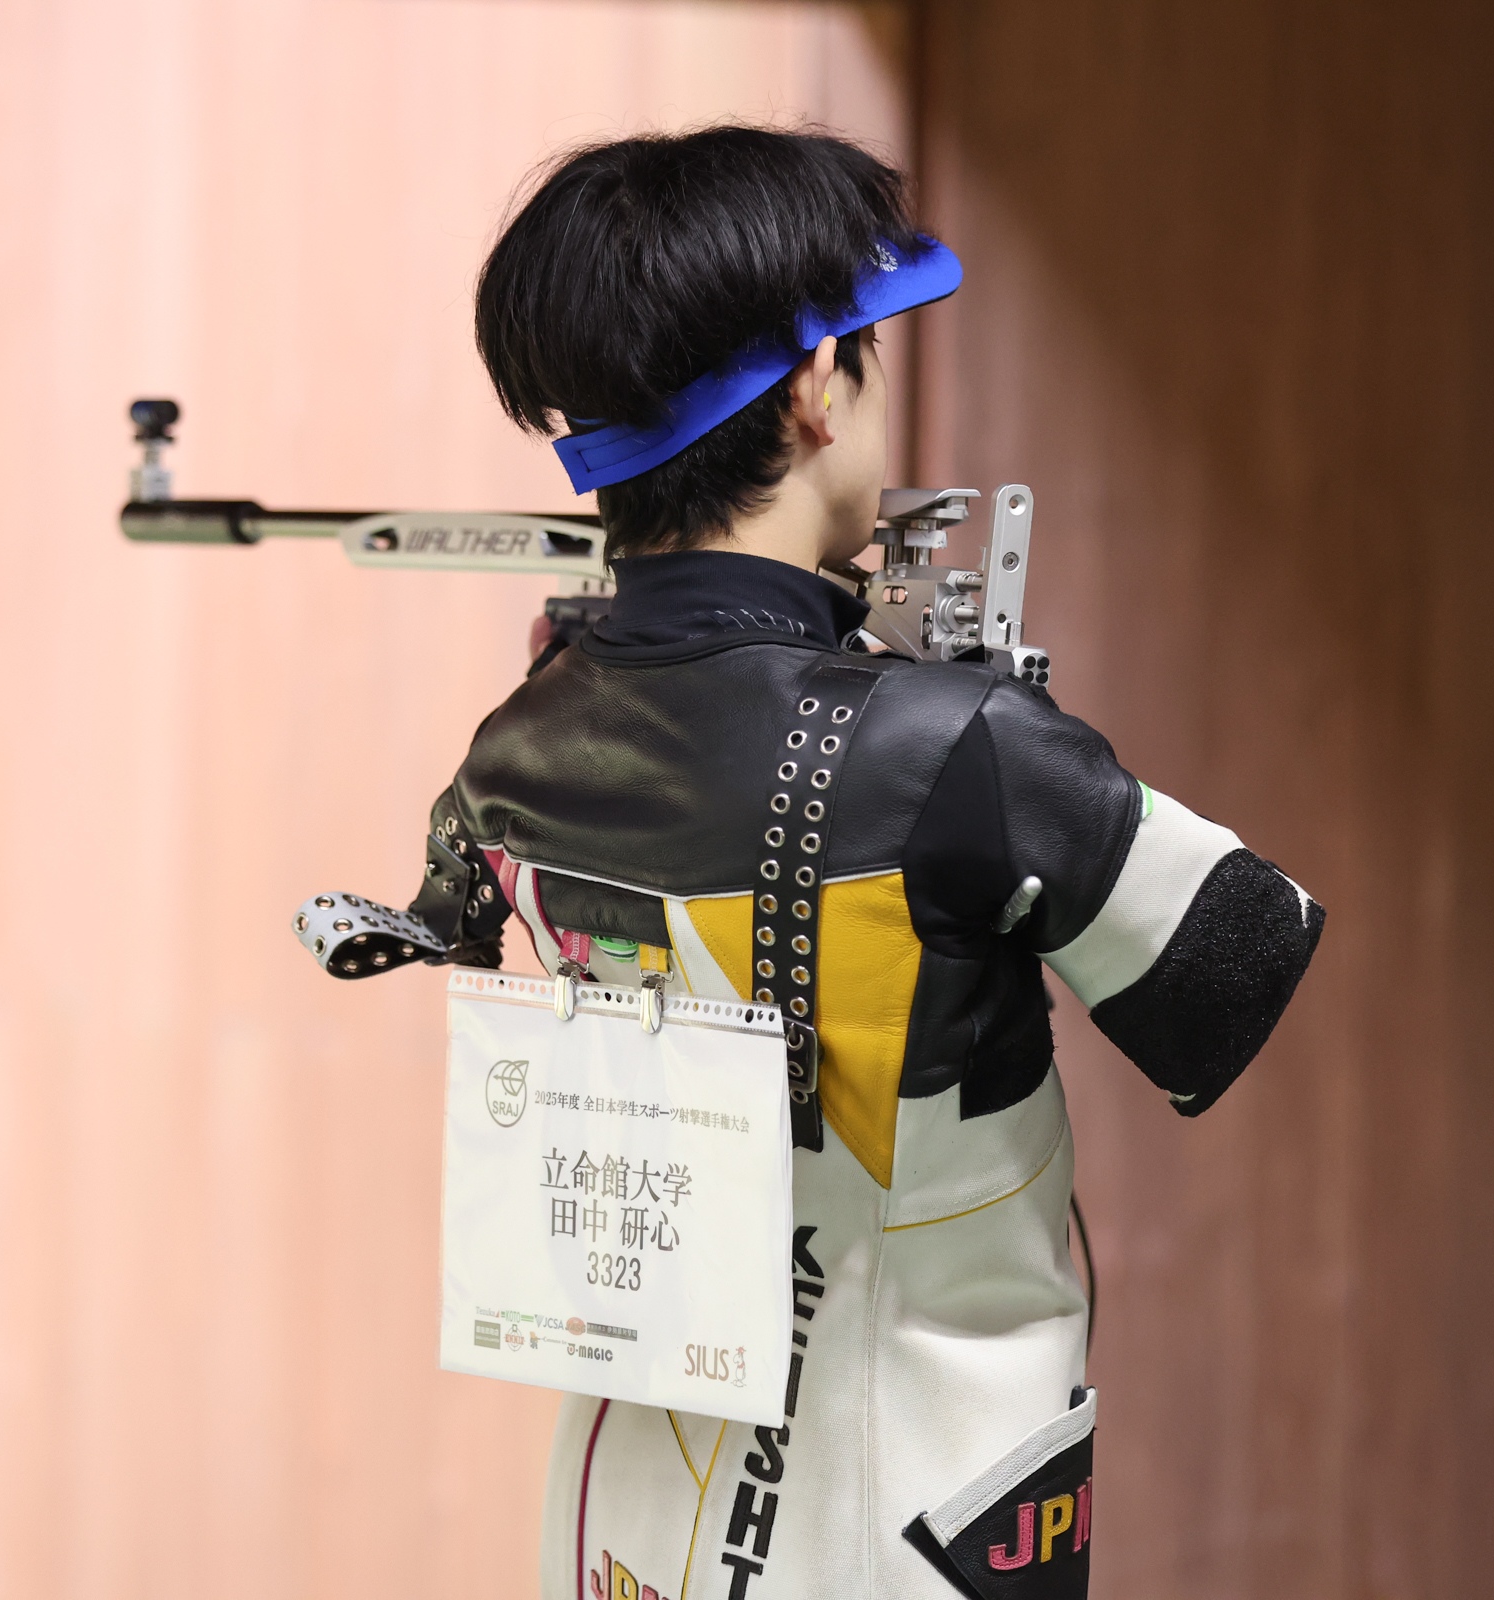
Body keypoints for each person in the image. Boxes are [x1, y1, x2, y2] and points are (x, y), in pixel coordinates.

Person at [404, 126, 1324, 1600]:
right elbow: (1236, 959)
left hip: (631, 1493)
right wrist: (1001, 732)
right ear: (819, 384)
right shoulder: (957, 748)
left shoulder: (516, 743)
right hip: (917, 1499)